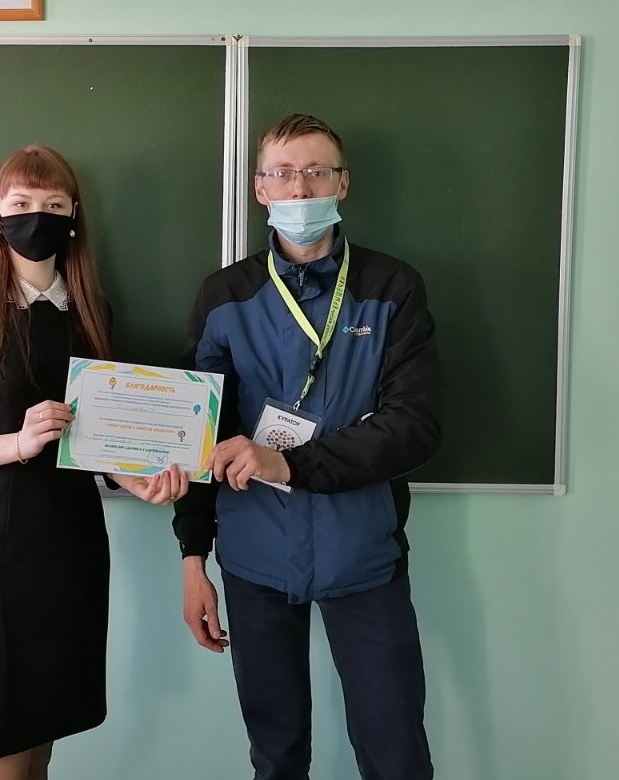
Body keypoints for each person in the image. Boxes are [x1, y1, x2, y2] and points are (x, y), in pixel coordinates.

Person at [172, 114, 444, 780]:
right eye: (284, 173)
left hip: (365, 556)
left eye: (317, 171)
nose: (300, 188)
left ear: (342, 183)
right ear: (260, 188)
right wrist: (192, 555)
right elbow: (198, 432)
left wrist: (289, 462)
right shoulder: (223, 295)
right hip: (253, 561)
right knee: (276, 756)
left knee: (396, 755)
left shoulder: (392, 287)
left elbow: (414, 424)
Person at [0, 144, 189, 780]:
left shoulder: (89, 309)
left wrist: (138, 481)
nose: (37, 215)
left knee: (40, 748)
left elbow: (96, 436)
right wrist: (19, 442)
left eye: (53, 204)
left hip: (72, 546)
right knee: (1, 745)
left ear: (73, 217)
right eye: (21, 202)